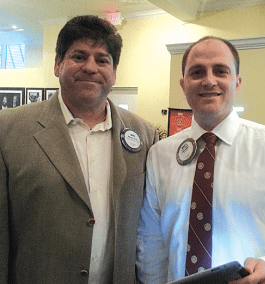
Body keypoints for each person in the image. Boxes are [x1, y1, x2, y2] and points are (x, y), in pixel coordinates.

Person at [0, 15, 158, 283]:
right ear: (57, 64)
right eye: (79, 56)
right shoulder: (8, 130)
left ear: (114, 72)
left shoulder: (144, 135)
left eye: (102, 59)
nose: (90, 67)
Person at [136, 36, 265, 284]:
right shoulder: (160, 155)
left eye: (220, 71)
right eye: (197, 72)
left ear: (237, 82)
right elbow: (151, 242)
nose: (209, 80)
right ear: (183, 84)